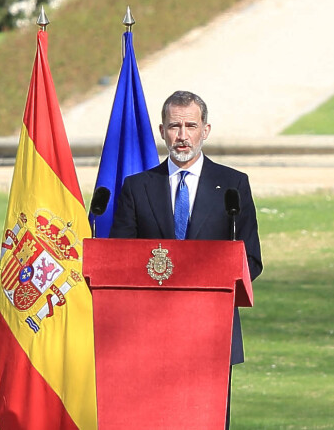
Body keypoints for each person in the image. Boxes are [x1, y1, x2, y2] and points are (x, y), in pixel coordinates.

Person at [110, 90, 263, 429]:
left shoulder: (234, 186)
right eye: (174, 126)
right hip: (148, 331)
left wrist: (212, 284)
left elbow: (250, 259)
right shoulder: (137, 188)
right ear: (161, 130)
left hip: (212, 330)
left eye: (190, 126)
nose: (182, 136)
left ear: (205, 130)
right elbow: (118, 259)